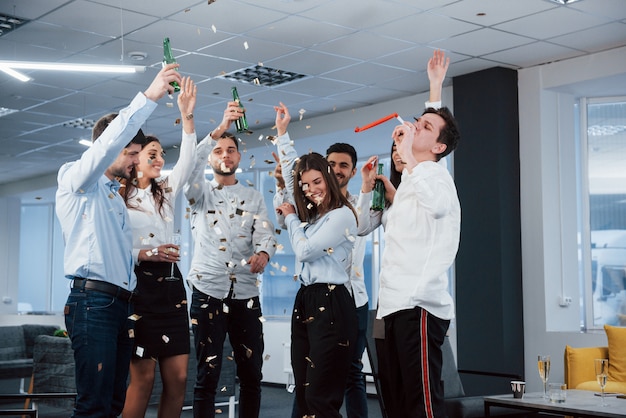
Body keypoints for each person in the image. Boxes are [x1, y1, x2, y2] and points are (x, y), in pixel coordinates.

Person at [55, 63, 182, 418]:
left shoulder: (113, 197)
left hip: (121, 305)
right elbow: (108, 142)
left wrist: (145, 254)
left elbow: (117, 251)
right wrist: (149, 97)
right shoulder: (76, 179)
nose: (135, 161)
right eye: (130, 152)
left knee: (113, 404)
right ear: (107, 146)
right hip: (92, 303)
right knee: (93, 405)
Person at [358, 49, 455, 418]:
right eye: (417, 122)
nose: (415, 128)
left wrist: (412, 158)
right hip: (391, 307)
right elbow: (365, 226)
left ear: (439, 148)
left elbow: (437, 203)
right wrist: (432, 88)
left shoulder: (435, 177)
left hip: (420, 306)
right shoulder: (408, 187)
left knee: (421, 405)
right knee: (395, 404)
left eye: (424, 128)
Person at [184, 102, 277, 418]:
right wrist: (220, 128)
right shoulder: (198, 194)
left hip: (246, 296)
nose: (225, 155)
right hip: (207, 291)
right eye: (219, 150)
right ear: (211, 157)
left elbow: (265, 233)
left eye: (230, 150)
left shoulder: (253, 197)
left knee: (251, 374)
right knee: (207, 376)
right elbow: (190, 167)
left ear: (238, 157)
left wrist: (264, 252)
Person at [273, 102, 359, 418]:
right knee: (307, 392)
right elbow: (290, 173)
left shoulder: (342, 216)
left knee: (323, 398)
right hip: (306, 299)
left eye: (317, 182)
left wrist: (293, 219)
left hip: (333, 303)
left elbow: (305, 251)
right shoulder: (312, 218)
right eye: (306, 186)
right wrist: (283, 135)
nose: (310, 190)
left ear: (331, 179)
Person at [120, 76, 198, 418]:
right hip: (140, 289)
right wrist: (145, 253)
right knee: (144, 378)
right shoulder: (119, 198)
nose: (159, 159)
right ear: (135, 160)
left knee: (178, 376)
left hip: (171, 287)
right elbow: (114, 249)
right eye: (152, 154)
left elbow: (189, 160)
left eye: (161, 154)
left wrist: (187, 116)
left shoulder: (165, 192)